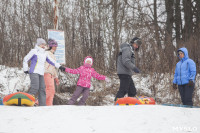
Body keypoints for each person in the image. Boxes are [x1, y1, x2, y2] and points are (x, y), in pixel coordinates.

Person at [23, 38, 65, 106]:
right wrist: (25, 69)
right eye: (42, 44)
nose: (43, 45)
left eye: (44, 44)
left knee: (42, 90)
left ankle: (42, 106)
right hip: (34, 72)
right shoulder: (34, 51)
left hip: (41, 73)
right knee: (35, 87)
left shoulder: (45, 53)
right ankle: (26, 102)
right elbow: (25, 59)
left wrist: (60, 67)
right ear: (38, 44)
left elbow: (52, 61)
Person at [115, 37, 142, 101]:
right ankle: (116, 103)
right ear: (132, 42)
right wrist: (134, 68)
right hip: (124, 72)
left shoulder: (130, 49)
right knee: (123, 90)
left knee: (132, 91)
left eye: (138, 45)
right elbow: (126, 61)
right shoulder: (127, 49)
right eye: (136, 44)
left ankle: (131, 104)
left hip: (127, 73)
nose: (137, 47)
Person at [44, 38, 60, 106]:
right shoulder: (46, 53)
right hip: (46, 72)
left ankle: (49, 105)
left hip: (51, 74)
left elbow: (53, 68)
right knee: (49, 89)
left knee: (52, 91)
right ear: (51, 46)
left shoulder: (52, 55)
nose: (56, 47)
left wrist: (56, 77)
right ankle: (38, 102)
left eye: (56, 46)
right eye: (55, 45)